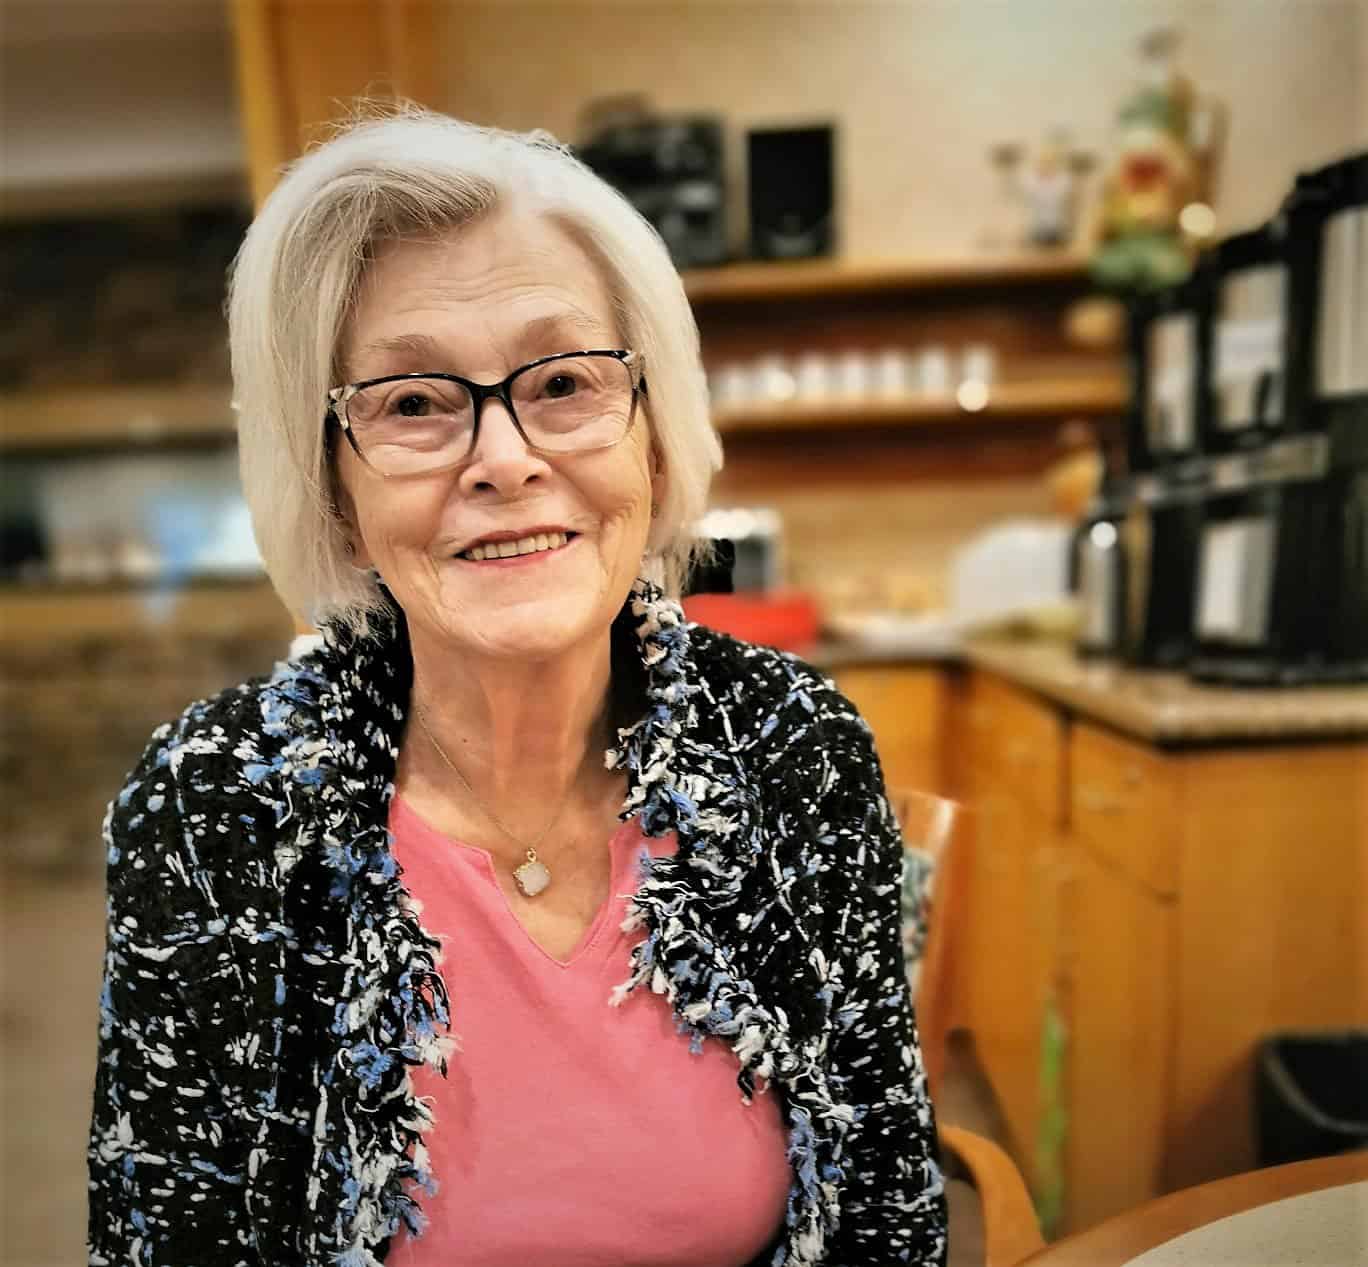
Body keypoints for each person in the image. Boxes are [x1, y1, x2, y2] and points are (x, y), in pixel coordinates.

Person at [86, 108, 947, 1267]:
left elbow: (891, 1201)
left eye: (564, 382)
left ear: (650, 437)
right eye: (413, 403)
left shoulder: (793, 746)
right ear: (335, 487)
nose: (502, 456)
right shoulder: (214, 807)